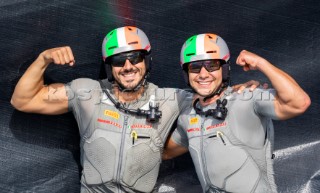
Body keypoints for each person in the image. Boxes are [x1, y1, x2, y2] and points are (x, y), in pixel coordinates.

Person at [11, 26, 259, 193]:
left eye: (136, 57)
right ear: (109, 66)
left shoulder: (171, 98)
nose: (128, 66)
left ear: (147, 61)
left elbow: (210, 96)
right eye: (119, 60)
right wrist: (43, 59)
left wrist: (237, 90)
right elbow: (23, 100)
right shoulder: (87, 92)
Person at [163, 33, 311, 193]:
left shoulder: (247, 97)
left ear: (225, 69)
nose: (203, 74)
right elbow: (164, 152)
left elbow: (299, 103)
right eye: (195, 67)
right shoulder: (188, 116)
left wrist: (261, 63)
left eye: (212, 65)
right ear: (186, 73)